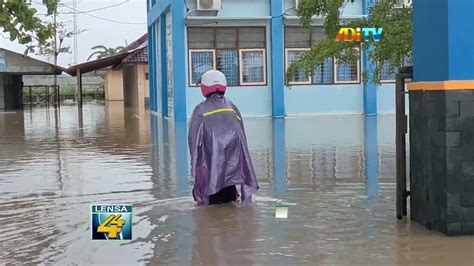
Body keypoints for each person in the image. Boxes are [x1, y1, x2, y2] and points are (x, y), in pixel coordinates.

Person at [188, 70, 259, 205]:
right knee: (230, 196)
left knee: (213, 200)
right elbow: (242, 137)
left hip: (213, 164)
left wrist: (195, 170)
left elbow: (193, 141)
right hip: (233, 165)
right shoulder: (232, 107)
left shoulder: (200, 110)